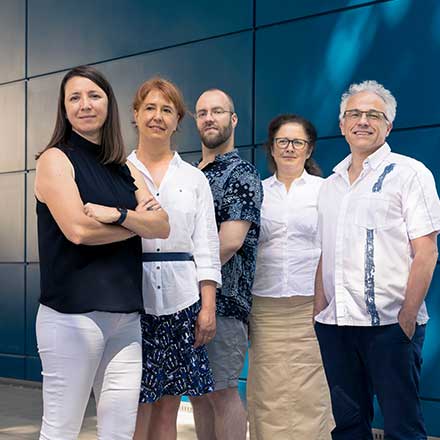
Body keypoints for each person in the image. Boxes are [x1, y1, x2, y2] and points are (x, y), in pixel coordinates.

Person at [34, 65, 169, 440]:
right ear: (64, 109)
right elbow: (78, 230)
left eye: (94, 96)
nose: (85, 105)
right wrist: (136, 223)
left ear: (108, 104)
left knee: (119, 432)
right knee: (61, 430)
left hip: (126, 318)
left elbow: (162, 225)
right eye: (74, 98)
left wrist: (118, 215)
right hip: (72, 317)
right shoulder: (55, 160)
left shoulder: (124, 168)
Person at [313, 80, 440, 440]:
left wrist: (407, 317)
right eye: (354, 114)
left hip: (390, 326)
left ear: (389, 126)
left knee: (403, 428)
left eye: (374, 115)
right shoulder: (330, 185)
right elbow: (326, 250)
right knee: (349, 427)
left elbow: (427, 251)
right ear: (342, 125)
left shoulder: (410, 174)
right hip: (336, 326)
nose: (363, 121)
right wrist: (319, 312)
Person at [128, 78, 221, 440]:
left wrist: (207, 307)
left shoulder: (194, 178)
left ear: (177, 120)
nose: (157, 116)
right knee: (134, 405)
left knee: (168, 407)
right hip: (129, 302)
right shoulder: (119, 170)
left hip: (182, 303)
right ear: (136, 114)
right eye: (150, 108)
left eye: (167, 110)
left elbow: (206, 246)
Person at [247, 114, 333, 439]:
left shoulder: (325, 190)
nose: (289, 148)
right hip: (266, 305)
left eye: (297, 142)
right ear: (272, 148)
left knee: (312, 388)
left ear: (308, 150)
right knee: (267, 388)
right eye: (282, 141)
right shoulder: (257, 191)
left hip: (312, 304)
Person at [190, 89, 263, 440]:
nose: (209, 118)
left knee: (222, 392)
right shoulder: (189, 174)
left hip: (224, 304)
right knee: (198, 394)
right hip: (185, 302)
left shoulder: (241, 173)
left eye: (217, 111)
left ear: (233, 119)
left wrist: (183, 277)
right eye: (202, 112)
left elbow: (230, 241)